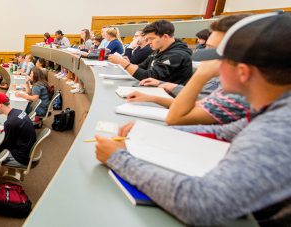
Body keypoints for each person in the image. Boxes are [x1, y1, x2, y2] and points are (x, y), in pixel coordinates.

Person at [95, 13, 291, 226]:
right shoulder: (274, 107)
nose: (210, 67)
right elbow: (225, 132)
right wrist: (144, 133)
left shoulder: (280, 127)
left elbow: (202, 203)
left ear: (243, 72)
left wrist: (118, 158)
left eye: (217, 60)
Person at [125, 14, 251, 125]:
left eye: (213, 50)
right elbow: (202, 103)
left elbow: (176, 118)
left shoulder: (240, 97)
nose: (206, 55)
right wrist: (154, 96)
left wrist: (201, 75)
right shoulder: (227, 87)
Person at [108, 20, 193, 85]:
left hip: (168, 98)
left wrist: (122, 63)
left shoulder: (177, 55)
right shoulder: (159, 50)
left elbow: (150, 77)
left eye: (151, 39)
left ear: (165, 37)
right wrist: (127, 63)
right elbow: (142, 67)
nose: (148, 42)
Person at [0, 92, 36, 167]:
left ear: (0, 105)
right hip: (28, 150)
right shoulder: (19, 111)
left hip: (21, 158)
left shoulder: (10, 123)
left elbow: (6, 146)